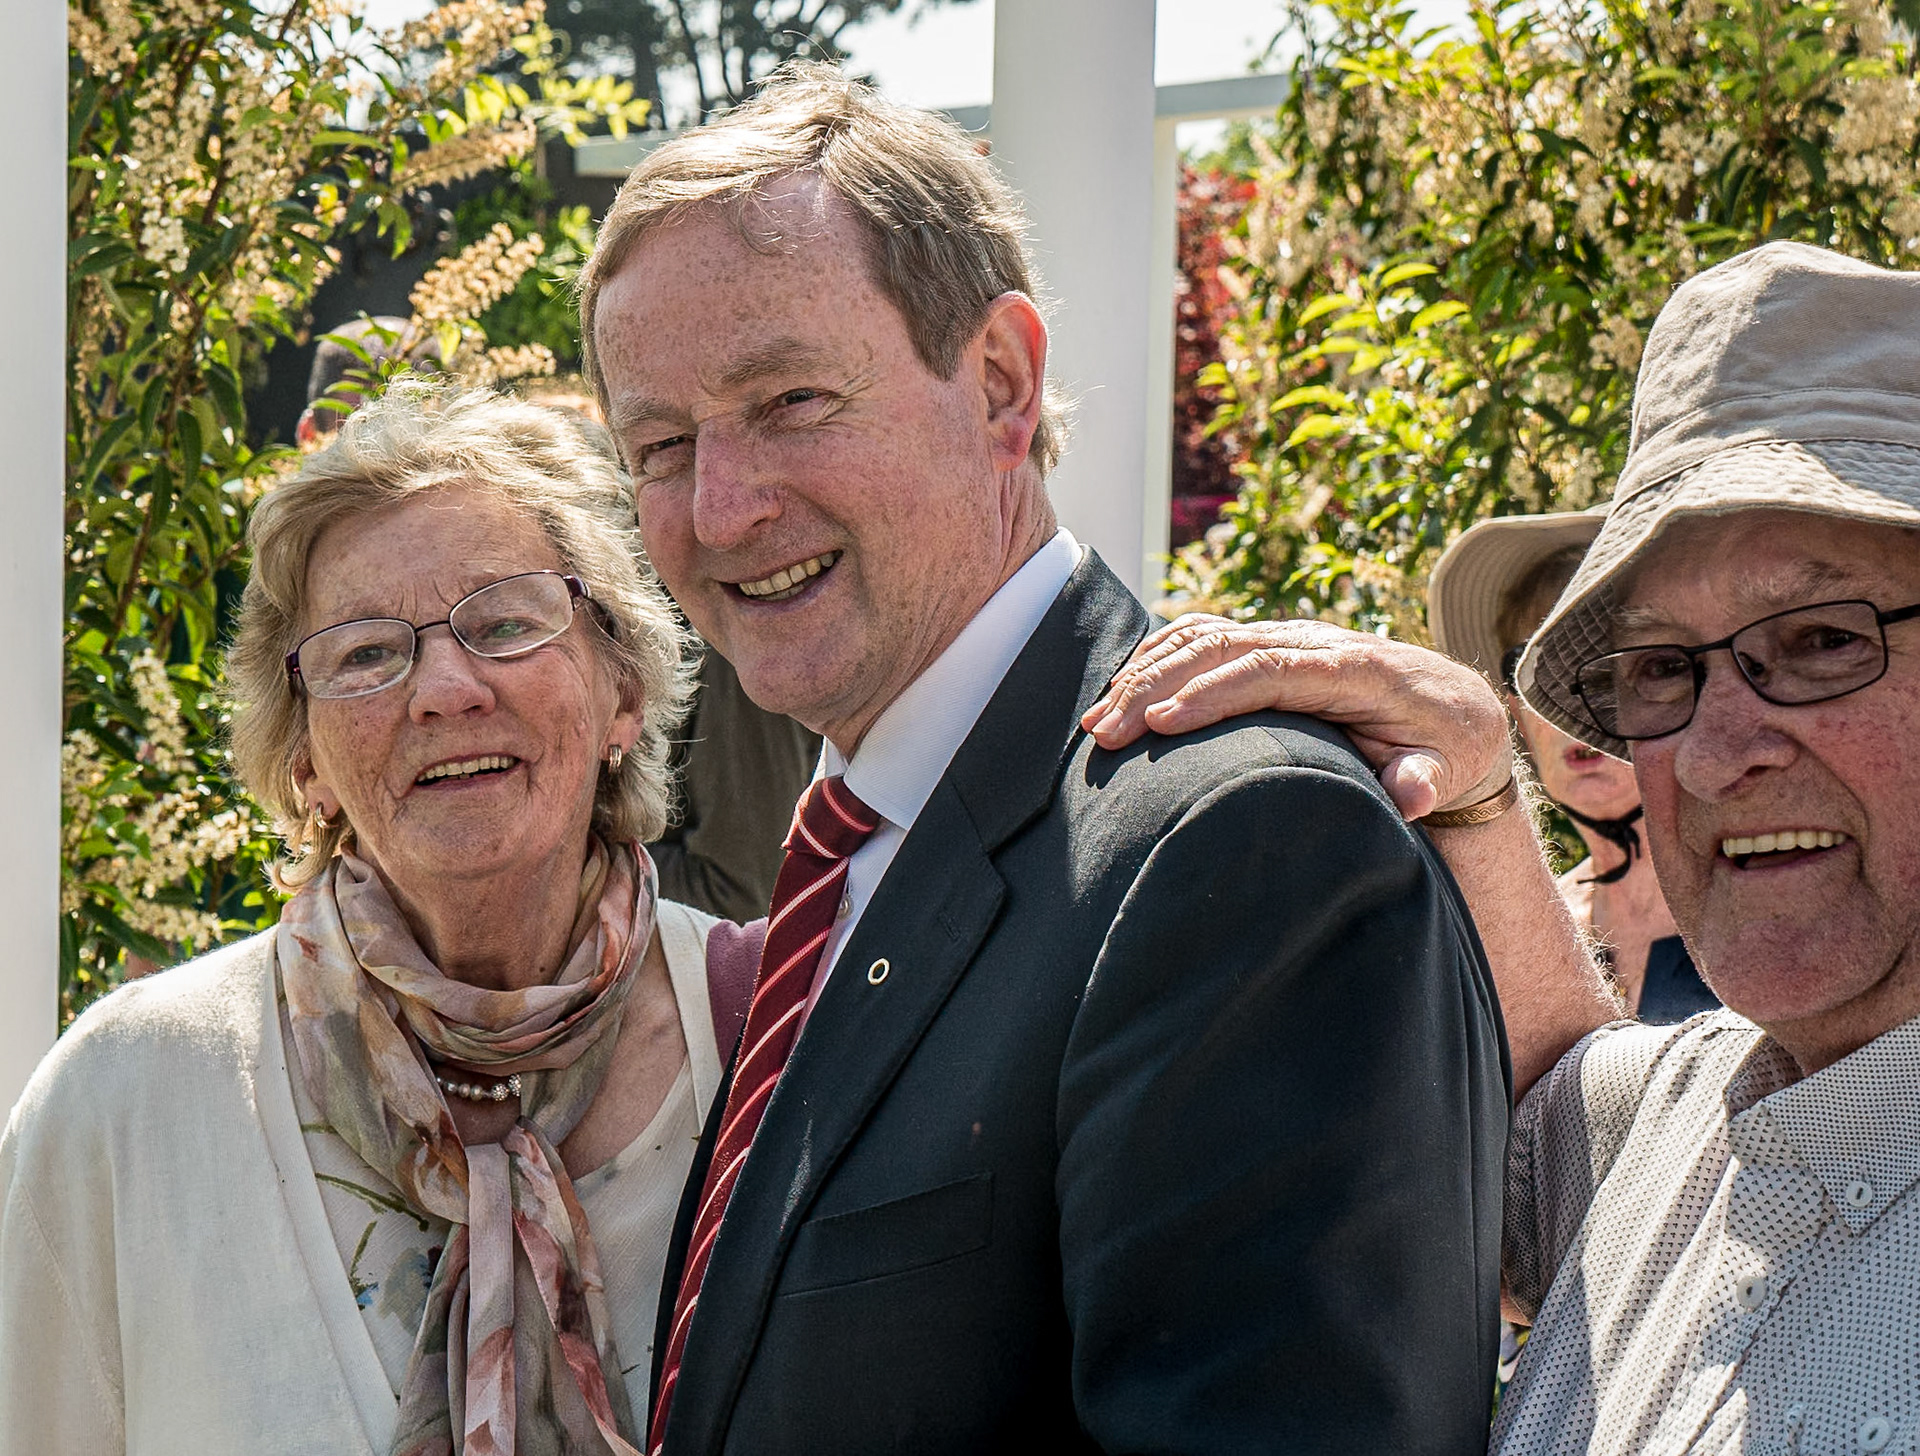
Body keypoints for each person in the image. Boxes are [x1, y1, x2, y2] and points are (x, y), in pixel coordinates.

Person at [578, 63, 1509, 1455]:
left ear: (1002, 384)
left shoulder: (1240, 853)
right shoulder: (869, 841)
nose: (720, 507)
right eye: (659, 444)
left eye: (789, 402)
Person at [1089, 240, 1920, 1454]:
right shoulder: (1685, 1110)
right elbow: (1533, 1109)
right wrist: (1479, 791)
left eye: (1820, 639)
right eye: (1659, 668)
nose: (1715, 748)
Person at [0, 383, 737, 1453]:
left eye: (505, 621)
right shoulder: (125, 1100)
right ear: (305, 763)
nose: (443, 688)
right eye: (365, 654)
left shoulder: (774, 1038)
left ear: (622, 690)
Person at [1429, 509, 1716, 1023]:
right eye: (1535, 670)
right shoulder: (1520, 938)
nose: (1568, 706)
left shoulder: (1759, 893)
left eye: (1609, 664)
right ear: (1515, 710)